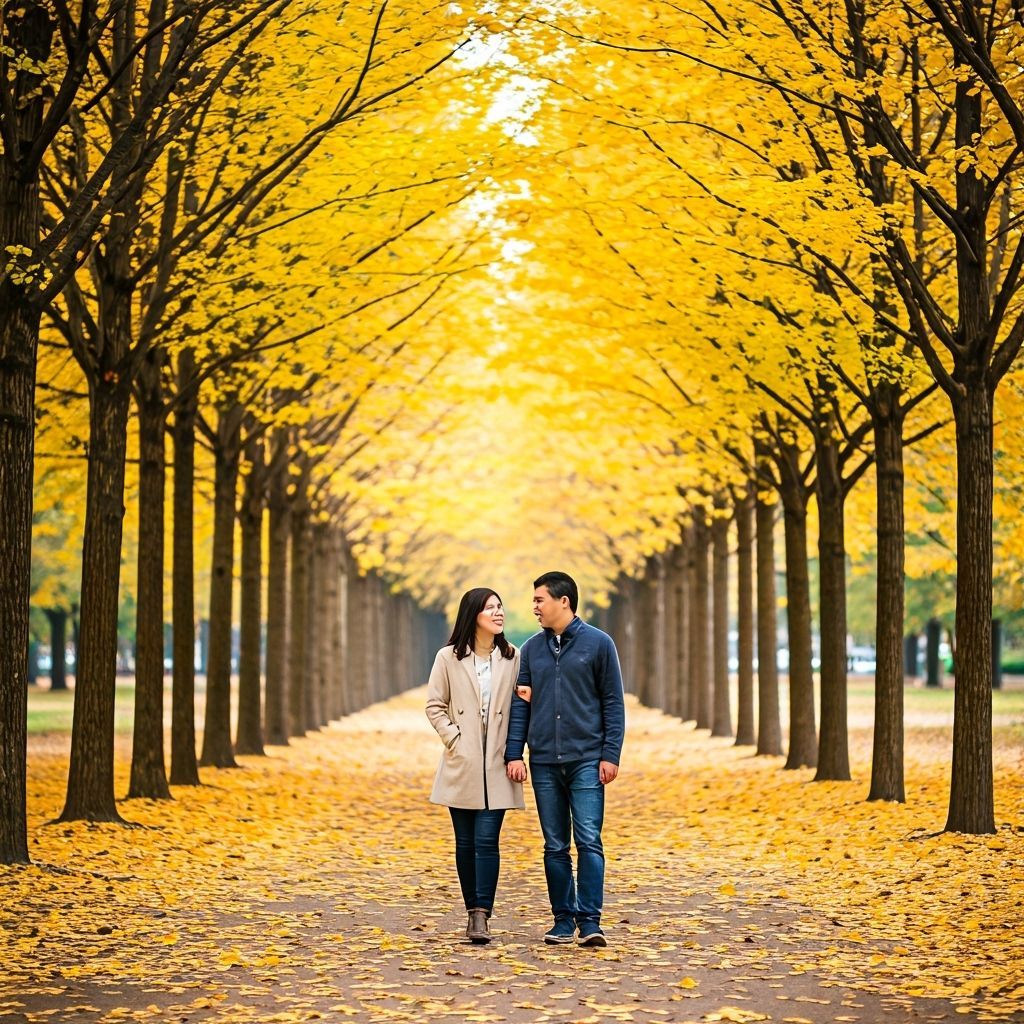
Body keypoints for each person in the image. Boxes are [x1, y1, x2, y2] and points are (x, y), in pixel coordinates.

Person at [505, 571, 625, 948]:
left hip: (587, 759)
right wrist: (515, 752)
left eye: (540, 600)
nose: (534, 607)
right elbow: (521, 705)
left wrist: (610, 754)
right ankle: (562, 919)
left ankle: (590, 922)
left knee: (588, 840)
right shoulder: (531, 650)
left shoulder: (599, 644)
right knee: (554, 844)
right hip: (543, 762)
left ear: (564, 602)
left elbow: (612, 703)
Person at [426, 588, 524, 945]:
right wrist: (454, 738)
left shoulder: (514, 658)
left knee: (487, 840)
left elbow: (522, 708)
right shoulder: (448, 658)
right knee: (465, 842)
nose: (498, 613)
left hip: (498, 762)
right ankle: (471, 910)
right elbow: (434, 705)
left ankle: (482, 915)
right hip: (462, 762)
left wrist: (515, 751)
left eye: (500, 607)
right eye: (490, 608)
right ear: (473, 614)